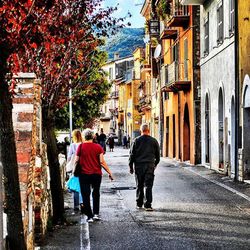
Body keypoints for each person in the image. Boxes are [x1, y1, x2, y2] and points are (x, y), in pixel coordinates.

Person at [75, 129, 114, 222]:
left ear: (84, 137)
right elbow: (102, 162)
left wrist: (74, 171)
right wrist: (109, 173)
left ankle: (89, 216)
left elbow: (76, 161)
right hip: (96, 175)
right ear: (93, 137)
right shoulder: (98, 147)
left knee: (85, 195)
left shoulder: (80, 147)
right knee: (96, 193)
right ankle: (96, 214)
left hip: (84, 175)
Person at [128, 123, 160, 211]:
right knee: (148, 185)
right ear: (148, 131)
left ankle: (139, 203)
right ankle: (148, 205)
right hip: (150, 165)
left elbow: (131, 155)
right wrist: (155, 164)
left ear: (141, 131)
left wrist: (131, 166)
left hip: (139, 166)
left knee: (139, 185)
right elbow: (158, 156)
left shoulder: (136, 140)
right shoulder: (154, 141)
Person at [66, 130, 83, 213]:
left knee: (75, 187)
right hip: (83, 168)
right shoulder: (83, 144)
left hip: (75, 168)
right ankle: (82, 203)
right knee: (83, 186)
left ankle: (76, 205)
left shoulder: (72, 145)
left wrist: (67, 164)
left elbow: (69, 157)